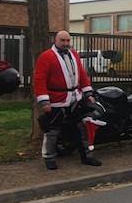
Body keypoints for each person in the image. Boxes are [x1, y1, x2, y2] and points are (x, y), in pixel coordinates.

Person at [32, 31, 101, 170]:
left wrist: (88, 93)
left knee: (81, 128)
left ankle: (86, 156)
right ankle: (49, 158)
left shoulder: (74, 54)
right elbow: (39, 79)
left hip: (75, 98)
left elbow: (81, 74)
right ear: (56, 40)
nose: (66, 43)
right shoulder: (46, 56)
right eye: (62, 40)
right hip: (56, 99)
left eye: (68, 40)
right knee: (52, 131)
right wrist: (44, 101)